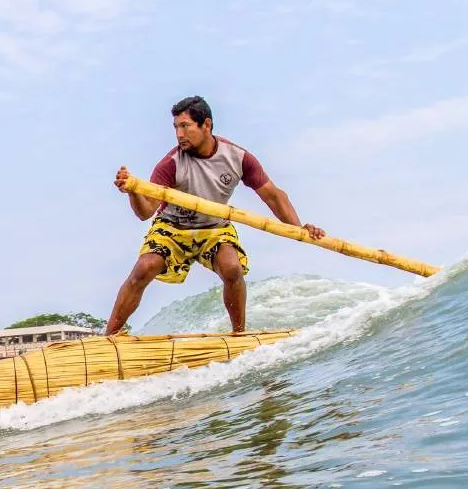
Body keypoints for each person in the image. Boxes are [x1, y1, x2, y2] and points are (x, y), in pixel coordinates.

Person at [105, 96, 325, 336]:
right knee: (144, 268)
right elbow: (145, 212)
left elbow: (273, 195)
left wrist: (297, 228)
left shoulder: (237, 158)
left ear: (206, 125)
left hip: (214, 228)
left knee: (232, 269)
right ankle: (109, 336)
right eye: (176, 127)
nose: (179, 134)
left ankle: (238, 335)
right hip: (173, 228)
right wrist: (133, 191)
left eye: (185, 126)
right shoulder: (170, 164)